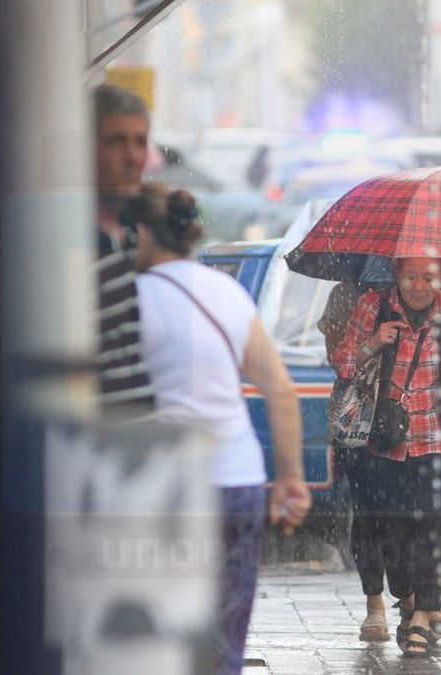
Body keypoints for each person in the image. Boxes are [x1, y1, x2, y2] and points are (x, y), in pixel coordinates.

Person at [126, 183, 311, 675]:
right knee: (223, 635)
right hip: (236, 482)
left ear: (142, 232)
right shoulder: (226, 293)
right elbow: (280, 391)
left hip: (162, 491)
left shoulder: (125, 301)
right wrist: (290, 479)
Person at [332, 258, 441, 657]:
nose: (418, 286)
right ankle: (412, 601)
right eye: (410, 276)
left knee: (430, 525)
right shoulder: (373, 305)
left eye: (427, 277)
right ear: (397, 274)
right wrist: (374, 342)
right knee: (393, 530)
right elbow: (344, 364)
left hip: (439, 436)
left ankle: (423, 615)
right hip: (387, 437)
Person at [318, 281, 395, 642]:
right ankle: (374, 602)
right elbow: (340, 361)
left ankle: (414, 599)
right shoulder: (347, 295)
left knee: (413, 515)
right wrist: (373, 341)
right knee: (368, 515)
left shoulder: (431, 288)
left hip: (412, 420)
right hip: (359, 425)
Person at [93, 84, 156, 419]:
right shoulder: (74, 249)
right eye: (115, 142)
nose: (132, 157)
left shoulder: (131, 239)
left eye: (140, 142)